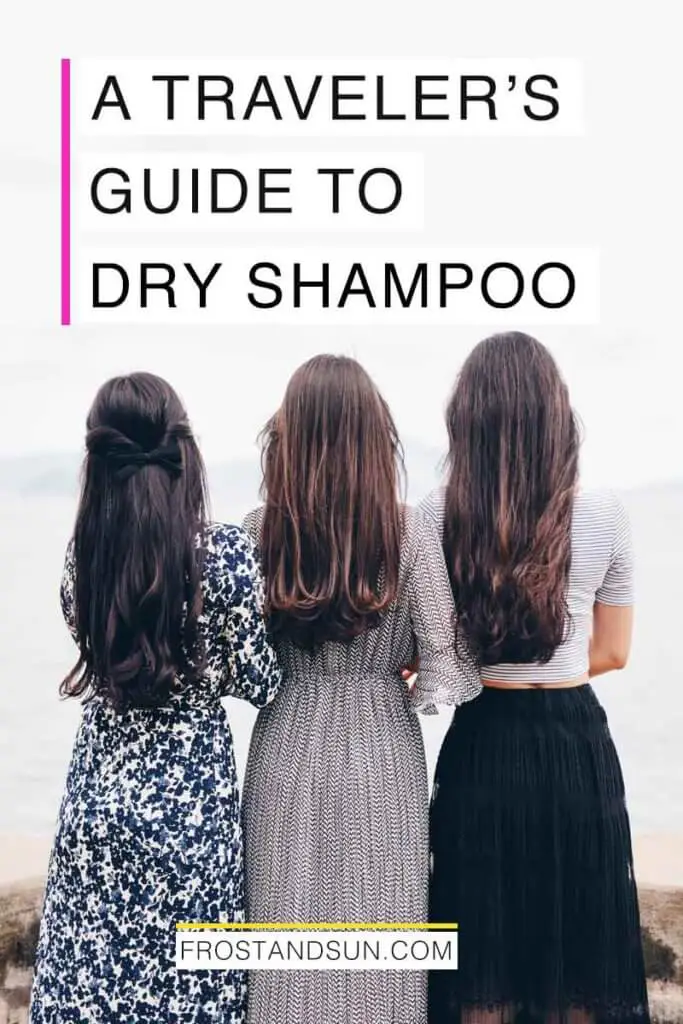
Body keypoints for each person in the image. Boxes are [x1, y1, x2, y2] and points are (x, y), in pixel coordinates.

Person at [29, 372, 282, 1024]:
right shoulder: (225, 558)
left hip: (98, 806)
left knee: (92, 994)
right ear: (183, 454)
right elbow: (260, 680)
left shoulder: (81, 559)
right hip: (192, 818)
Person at [241, 354, 482, 1024]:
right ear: (375, 435)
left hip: (285, 736)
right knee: (381, 940)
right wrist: (399, 677)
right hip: (381, 742)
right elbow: (447, 660)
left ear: (289, 435)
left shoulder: (259, 532)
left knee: (282, 932)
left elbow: (237, 658)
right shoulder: (408, 530)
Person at [423, 332, 650, 1023]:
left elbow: (435, 647)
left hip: (483, 736)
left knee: (480, 957)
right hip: (573, 742)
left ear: (467, 417)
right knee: (580, 954)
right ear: (557, 414)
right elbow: (611, 652)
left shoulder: (437, 513)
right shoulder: (605, 511)